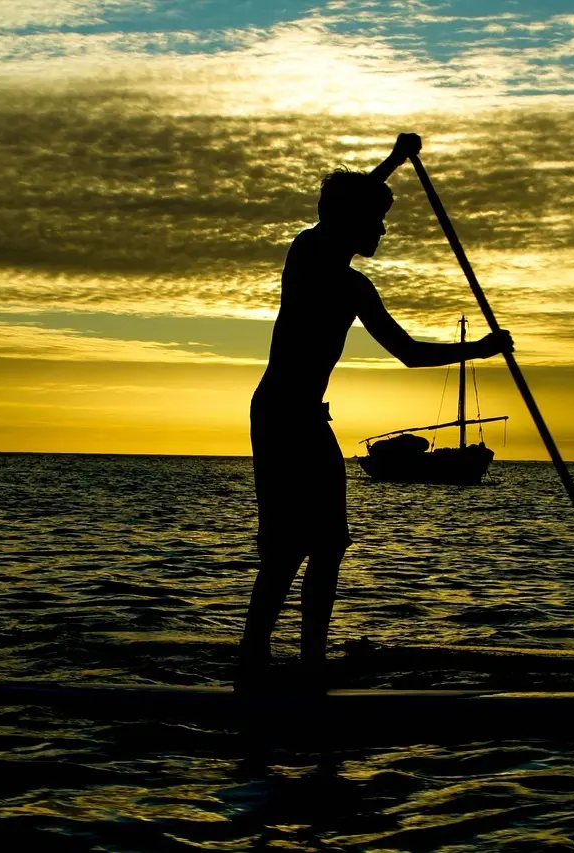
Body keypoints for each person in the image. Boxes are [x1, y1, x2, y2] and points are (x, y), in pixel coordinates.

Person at [238, 133, 512, 689]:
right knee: (287, 547)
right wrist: (392, 159)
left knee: (329, 543)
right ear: (351, 220)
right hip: (278, 415)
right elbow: (347, 203)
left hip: (310, 418)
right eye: (377, 220)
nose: (384, 229)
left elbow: (409, 354)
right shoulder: (307, 253)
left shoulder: (358, 289)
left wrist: (478, 350)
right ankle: (255, 657)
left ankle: (310, 657)